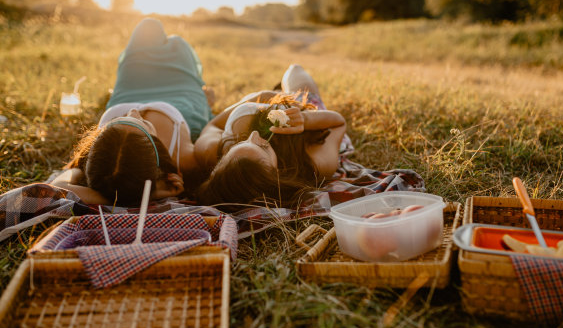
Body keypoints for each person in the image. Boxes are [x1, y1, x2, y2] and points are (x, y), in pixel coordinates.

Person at [52, 18, 215, 206]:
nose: (133, 112)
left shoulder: (103, 161)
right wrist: (148, 194)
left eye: (120, 122)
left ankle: (204, 95)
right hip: (184, 101)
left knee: (149, 27)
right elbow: (215, 128)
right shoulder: (183, 158)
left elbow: (57, 191)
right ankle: (205, 98)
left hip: (130, 89)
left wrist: (118, 197)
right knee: (178, 45)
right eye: (144, 126)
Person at [194, 64, 350, 211]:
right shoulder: (316, 164)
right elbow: (338, 124)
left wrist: (260, 98)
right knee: (295, 69)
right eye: (262, 147)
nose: (253, 135)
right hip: (306, 113)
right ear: (276, 175)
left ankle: (275, 93)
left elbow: (212, 125)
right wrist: (306, 119)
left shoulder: (209, 152)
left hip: (265, 105)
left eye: (238, 144)